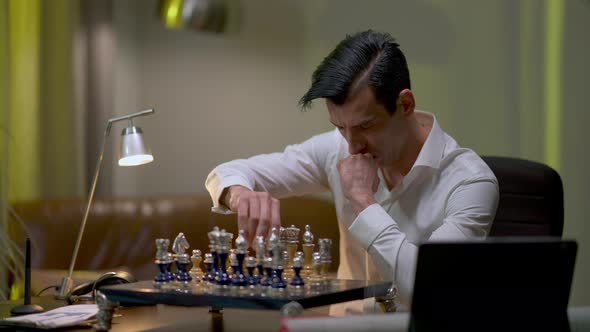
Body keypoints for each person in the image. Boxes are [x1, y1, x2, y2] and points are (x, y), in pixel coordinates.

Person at [205, 30, 499, 314]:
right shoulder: (337, 148)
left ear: (405, 104)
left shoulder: (470, 182)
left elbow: (428, 287)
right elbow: (229, 172)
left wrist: (362, 201)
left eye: (366, 126)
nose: (353, 145)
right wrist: (240, 195)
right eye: (340, 127)